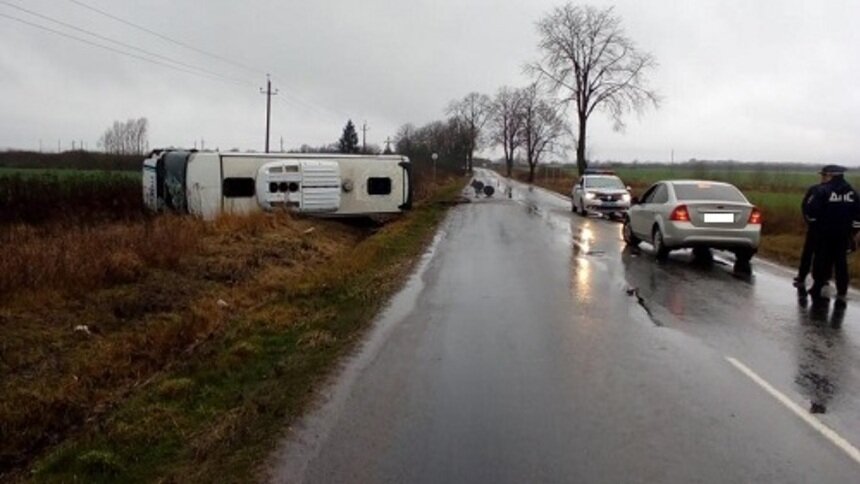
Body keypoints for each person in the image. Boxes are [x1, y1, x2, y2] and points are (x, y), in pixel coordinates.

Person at [805, 165, 860, 308]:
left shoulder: (823, 191)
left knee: (821, 260)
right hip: (843, 234)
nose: (822, 178)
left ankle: (817, 287)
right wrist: (853, 232)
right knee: (841, 262)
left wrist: (814, 225)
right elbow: (858, 216)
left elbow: (811, 211)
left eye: (824, 175)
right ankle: (842, 290)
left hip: (824, 233)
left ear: (830, 175)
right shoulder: (852, 193)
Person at [794, 180, 823, 296]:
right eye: (823, 175)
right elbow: (805, 205)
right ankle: (802, 276)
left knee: (823, 256)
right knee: (808, 253)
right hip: (815, 228)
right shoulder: (815, 189)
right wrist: (809, 220)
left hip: (828, 230)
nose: (824, 177)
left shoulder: (837, 192)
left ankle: (821, 279)